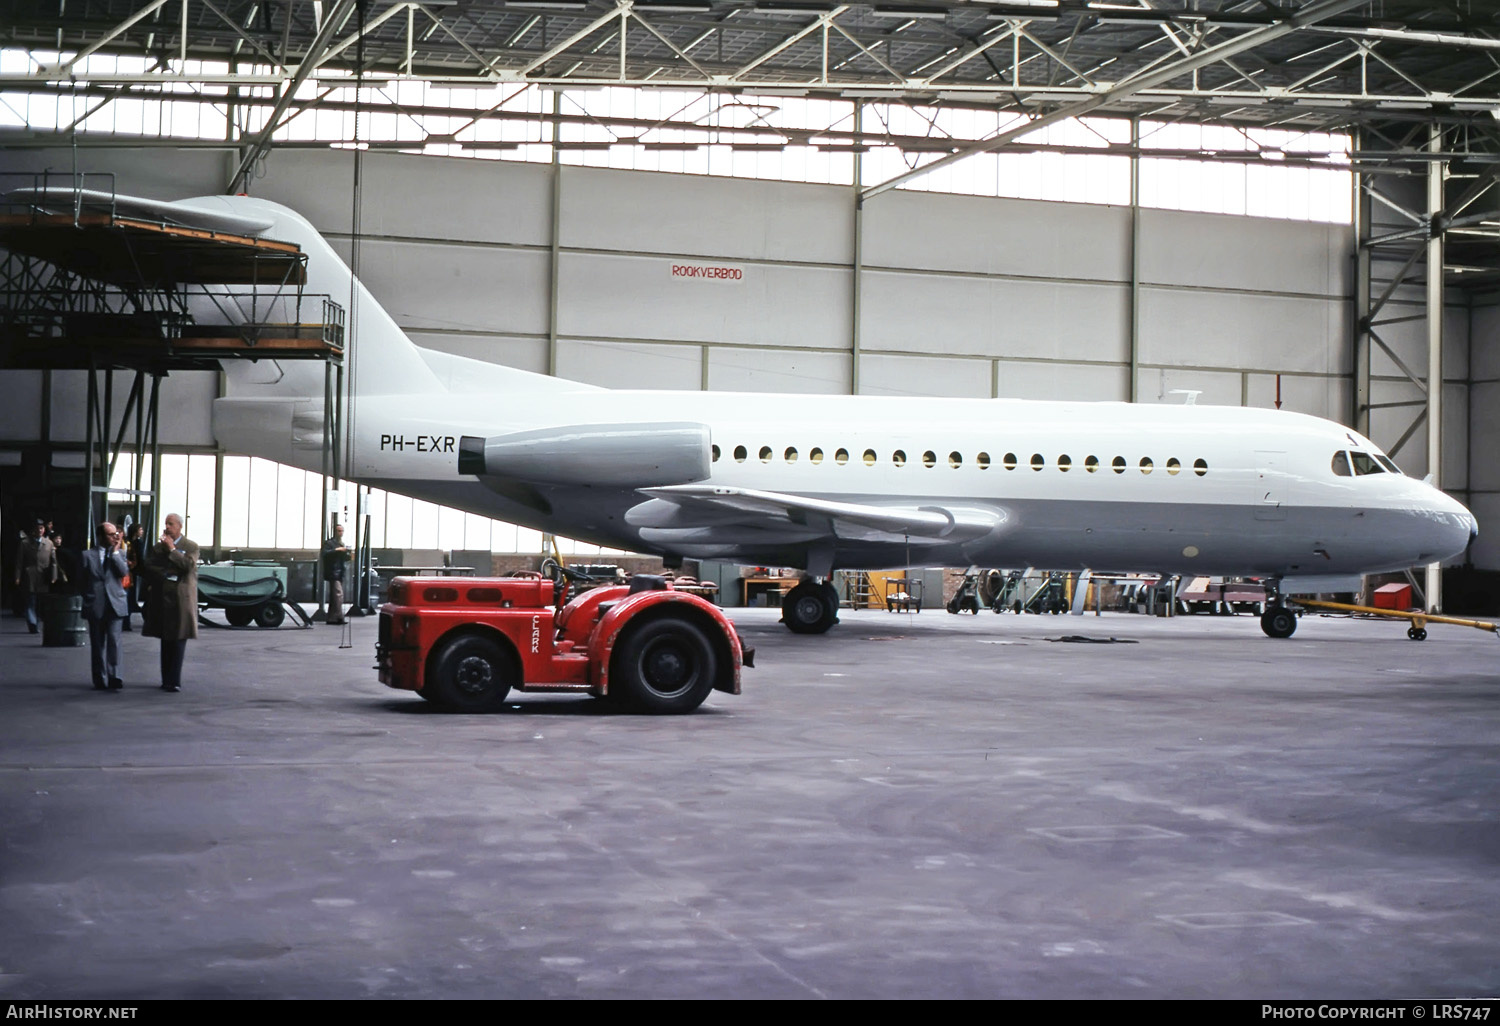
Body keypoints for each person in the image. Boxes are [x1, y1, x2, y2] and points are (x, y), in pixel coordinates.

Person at [141, 513, 199, 693]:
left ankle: (174, 680)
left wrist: (172, 550)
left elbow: (188, 566)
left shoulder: (191, 546)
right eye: (166, 523)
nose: (167, 527)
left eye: (171, 524)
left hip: (181, 600)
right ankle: (165, 679)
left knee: (179, 639)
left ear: (180, 526)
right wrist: (166, 572)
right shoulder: (157, 548)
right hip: (162, 598)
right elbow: (149, 567)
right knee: (165, 639)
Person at [80, 521, 130, 691]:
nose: (115, 537)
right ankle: (99, 678)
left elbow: (123, 573)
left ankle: (115, 676)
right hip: (96, 604)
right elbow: (81, 581)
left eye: (116, 533)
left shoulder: (120, 553)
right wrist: (88, 599)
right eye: (110, 534)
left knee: (114, 641)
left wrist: (115, 553)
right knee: (97, 644)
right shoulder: (87, 555)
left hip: (115, 603)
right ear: (100, 536)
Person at [13, 518, 56, 634]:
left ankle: (38, 621)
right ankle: (32, 624)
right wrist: (17, 577)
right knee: (30, 601)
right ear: (33, 530)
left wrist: (54, 576)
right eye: (37, 528)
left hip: (43, 576)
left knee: (41, 603)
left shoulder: (49, 543)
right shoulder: (25, 543)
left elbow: (53, 562)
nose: (40, 530)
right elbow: (19, 562)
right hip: (29, 575)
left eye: (41, 528)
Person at [321, 522, 351, 625]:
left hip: (339, 572)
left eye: (342, 531)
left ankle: (331, 617)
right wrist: (337, 550)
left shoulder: (341, 544)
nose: (341, 533)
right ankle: (339, 616)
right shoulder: (329, 543)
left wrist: (347, 554)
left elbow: (344, 558)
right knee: (339, 594)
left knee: (335, 596)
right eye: (339, 531)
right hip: (333, 572)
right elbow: (325, 554)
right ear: (335, 532)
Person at [123, 523, 146, 632]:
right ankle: (126, 622)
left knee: (127, 596)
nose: (142, 531)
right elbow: (141, 558)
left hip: (128, 571)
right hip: (135, 572)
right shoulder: (138, 543)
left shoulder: (127, 542)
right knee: (130, 597)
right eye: (140, 529)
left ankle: (125, 621)